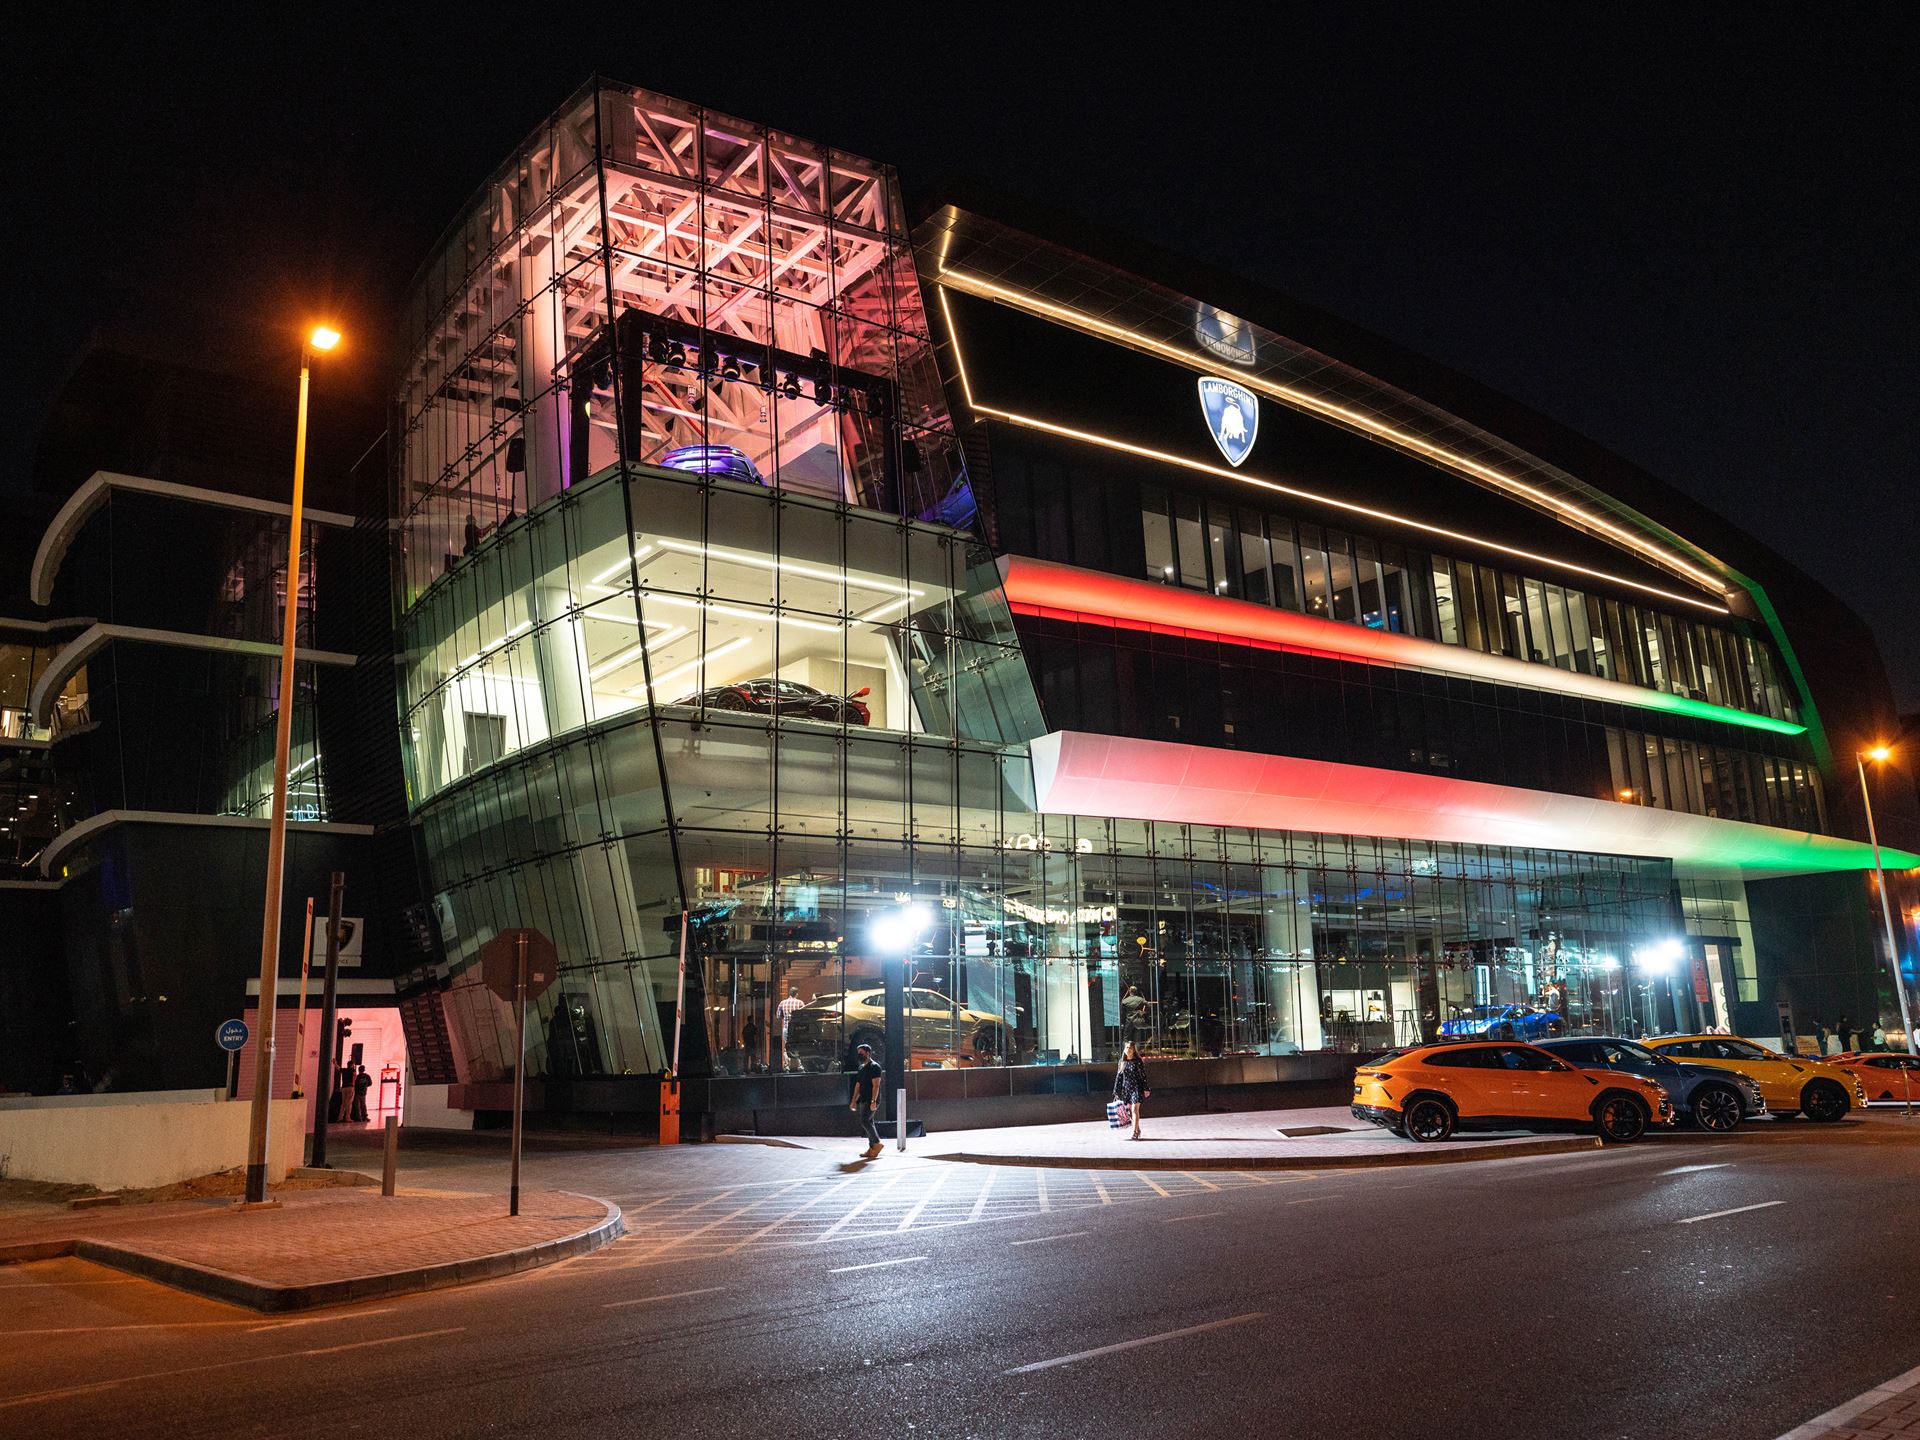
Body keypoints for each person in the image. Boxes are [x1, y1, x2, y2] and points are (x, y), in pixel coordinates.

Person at [848, 1042, 883, 1160]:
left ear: (868, 1053)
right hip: (863, 1098)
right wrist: (853, 1100)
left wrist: (873, 1101)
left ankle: (877, 1143)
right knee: (869, 1121)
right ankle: (872, 1148)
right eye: (858, 1053)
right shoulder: (861, 1068)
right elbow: (858, 1085)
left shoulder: (875, 1067)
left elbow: (876, 1085)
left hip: (871, 1099)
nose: (859, 1055)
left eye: (861, 1053)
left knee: (864, 1121)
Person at [1113, 1039, 1150, 1141]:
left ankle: (1134, 1133)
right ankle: (1137, 1129)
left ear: (1134, 1050)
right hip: (1126, 1089)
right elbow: (1119, 1077)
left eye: (1130, 1048)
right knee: (1130, 1112)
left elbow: (1143, 1076)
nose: (1128, 1049)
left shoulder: (1138, 1062)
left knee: (1134, 1109)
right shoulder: (1122, 1062)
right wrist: (1116, 1091)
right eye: (1127, 1047)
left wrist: (1146, 1088)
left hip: (1136, 1088)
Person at [777, 984, 805, 1069]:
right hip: (797, 1028)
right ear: (796, 994)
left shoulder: (782, 1003)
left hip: (786, 1027)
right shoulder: (800, 1003)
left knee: (786, 1046)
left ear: (789, 993)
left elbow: (778, 1016)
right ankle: (799, 1065)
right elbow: (803, 1015)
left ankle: (787, 1065)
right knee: (798, 1046)